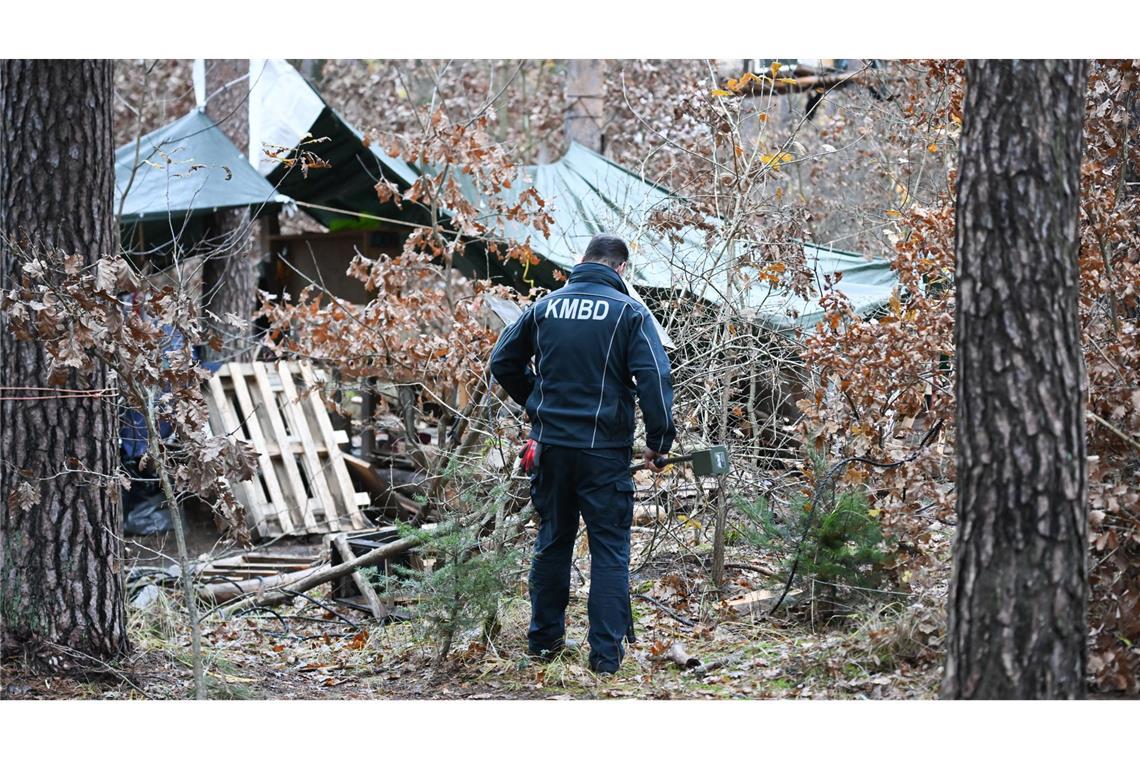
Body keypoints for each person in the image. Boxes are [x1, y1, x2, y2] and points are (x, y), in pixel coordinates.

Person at [489, 233, 676, 674]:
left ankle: (543, 648)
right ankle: (606, 661)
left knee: (552, 542)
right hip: (603, 453)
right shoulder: (630, 312)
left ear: (583, 260)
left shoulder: (544, 307)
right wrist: (659, 441)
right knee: (609, 550)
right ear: (621, 269)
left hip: (550, 448)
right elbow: (653, 376)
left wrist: (537, 403)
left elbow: (502, 361)